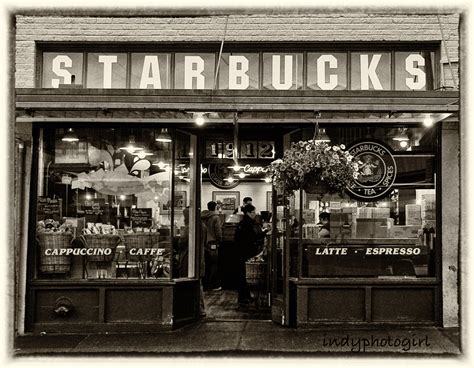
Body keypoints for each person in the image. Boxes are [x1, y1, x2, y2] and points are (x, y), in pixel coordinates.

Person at [234, 203, 268, 304]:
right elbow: (252, 237)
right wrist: (264, 232)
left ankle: (245, 296)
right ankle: (244, 297)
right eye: (253, 212)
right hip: (245, 251)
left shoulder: (243, 222)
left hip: (240, 251)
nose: (254, 214)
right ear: (248, 212)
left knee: (242, 275)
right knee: (243, 275)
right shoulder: (247, 224)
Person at [201, 201, 223, 291]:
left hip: (203, 243)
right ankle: (213, 285)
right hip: (212, 243)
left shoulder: (201, 217)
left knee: (205, 264)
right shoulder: (215, 217)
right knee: (213, 264)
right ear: (215, 207)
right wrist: (220, 240)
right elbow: (218, 232)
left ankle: (204, 284)